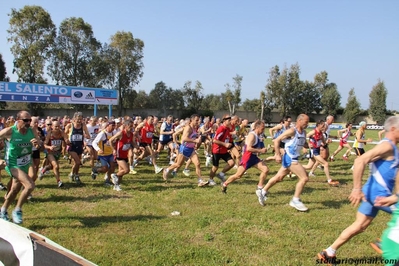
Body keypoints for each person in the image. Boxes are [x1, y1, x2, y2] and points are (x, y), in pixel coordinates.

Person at [317, 116, 399, 264]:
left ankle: (329, 252)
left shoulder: (389, 146)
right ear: (393, 129)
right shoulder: (387, 146)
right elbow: (360, 160)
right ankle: (386, 242)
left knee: (360, 226)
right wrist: (356, 189)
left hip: (370, 193)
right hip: (379, 196)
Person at [256, 114, 310, 211]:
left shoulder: (304, 132)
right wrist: (277, 154)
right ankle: (295, 200)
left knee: (279, 178)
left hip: (293, 158)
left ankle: (262, 192)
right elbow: (277, 140)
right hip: (290, 158)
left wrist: (308, 146)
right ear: (299, 120)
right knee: (304, 178)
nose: (307, 124)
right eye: (306, 122)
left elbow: (302, 143)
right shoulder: (292, 130)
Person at [0, 111, 41, 224]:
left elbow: (40, 145)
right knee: (30, 185)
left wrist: (37, 144)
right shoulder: (9, 131)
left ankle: (2, 210)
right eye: (25, 120)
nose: (28, 123)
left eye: (29, 120)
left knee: (14, 190)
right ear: (18, 120)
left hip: (25, 163)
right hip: (12, 164)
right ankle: (17, 210)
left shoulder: (32, 130)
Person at [221, 120, 269, 194]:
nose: (263, 130)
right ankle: (225, 184)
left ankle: (259, 188)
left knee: (265, 170)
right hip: (247, 158)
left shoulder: (258, 135)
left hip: (253, 157)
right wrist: (261, 151)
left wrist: (262, 149)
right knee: (238, 175)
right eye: (262, 128)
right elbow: (248, 148)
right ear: (257, 127)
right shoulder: (252, 135)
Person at [163, 114, 209, 187]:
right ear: (192, 120)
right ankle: (167, 170)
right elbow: (184, 139)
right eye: (196, 120)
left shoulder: (195, 128)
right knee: (178, 165)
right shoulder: (188, 128)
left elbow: (193, 137)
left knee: (197, 164)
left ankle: (200, 181)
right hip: (184, 149)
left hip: (191, 149)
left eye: (198, 120)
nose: (198, 122)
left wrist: (197, 138)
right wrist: (195, 141)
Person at [304, 120, 339, 186]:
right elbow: (304, 137)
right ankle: (329, 180)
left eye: (324, 126)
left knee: (309, 166)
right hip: (313, 151)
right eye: (322, 126)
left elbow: (324, 144)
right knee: (325, 164)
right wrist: (307, 144)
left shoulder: (321, 134)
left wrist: (327, 142)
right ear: (318, 125)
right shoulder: (313, 132)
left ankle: (292, 168)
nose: (324, 127)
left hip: (317, 150)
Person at [40, 120, 71, 187]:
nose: (57, 128)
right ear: (52, 127)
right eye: (56, 126)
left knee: (52, 166)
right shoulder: (49, 134)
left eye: (59, 126)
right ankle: (59, 181)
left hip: (57, 152)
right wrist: (50, 147)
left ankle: (44, 170)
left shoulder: (61, 132)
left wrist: (67, 141)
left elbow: (66, 139)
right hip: (50, 152)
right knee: (56, 166)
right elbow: (44, 144)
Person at [109, 120, 136, 191]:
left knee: (121, 173)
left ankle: (116, 186)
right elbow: (110, 140)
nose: (131, 128)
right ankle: (115, 175)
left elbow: (133, 142)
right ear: (126, 126)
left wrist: (138, 147)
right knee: (126, 170)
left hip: (125, 154)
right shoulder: (121, 133)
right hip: (119, 155)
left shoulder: (131, 134)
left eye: (132, 127)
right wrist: (113, 149)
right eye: (130, 127)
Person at [208, 115, 235, 186]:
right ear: (224, 121)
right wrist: (225, 144)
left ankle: (221, 174)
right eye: (228, 120)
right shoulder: (221, 129)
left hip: (224, 151)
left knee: (232, 163)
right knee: (215, 167)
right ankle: (210, 179)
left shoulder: (228, 129)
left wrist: (230, 146)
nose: (230, 121)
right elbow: (214, 140)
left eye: (230, 119)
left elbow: (228, 139)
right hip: (217, 150)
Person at [64, 112, 90, 184]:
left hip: (79, 145)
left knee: (77, 163)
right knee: (78, 162)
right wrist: (66, 140)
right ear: (74, 119)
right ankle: (73, 174)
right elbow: (64, 134)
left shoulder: (83, 125)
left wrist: (86, 135)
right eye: (78, 119)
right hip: (71, 146)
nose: (79, 121)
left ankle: (75, 174)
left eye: (81, 119)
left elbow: (88, 134)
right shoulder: (70, 125)